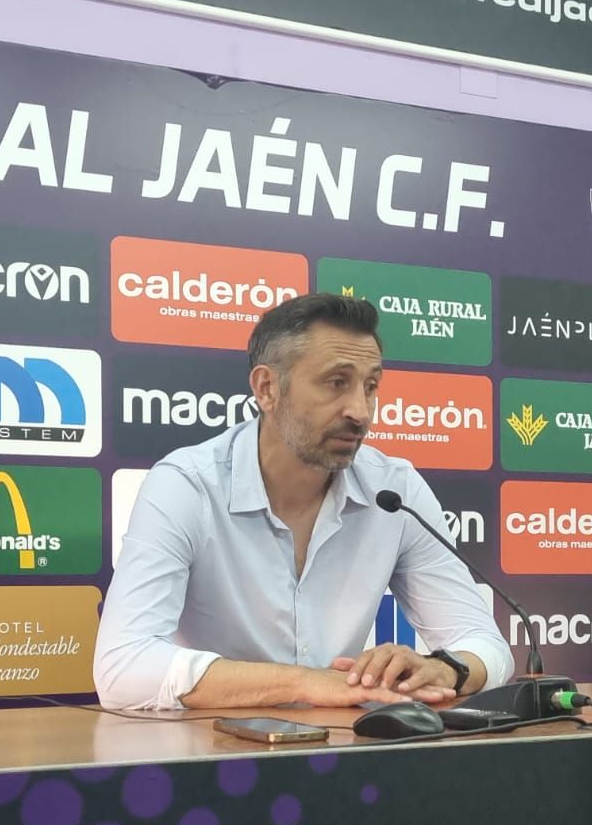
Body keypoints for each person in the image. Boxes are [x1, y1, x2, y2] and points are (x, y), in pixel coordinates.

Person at [93, 292, 514, 710]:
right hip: (215, 760)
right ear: (267, 388)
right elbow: (122, 667)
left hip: (342, 755)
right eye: (336, 383)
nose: (360, 411)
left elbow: (487, 646)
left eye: (371, 386)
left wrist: (446, 668)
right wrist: (305, 683)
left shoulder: (395, 489)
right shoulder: (188, 485)